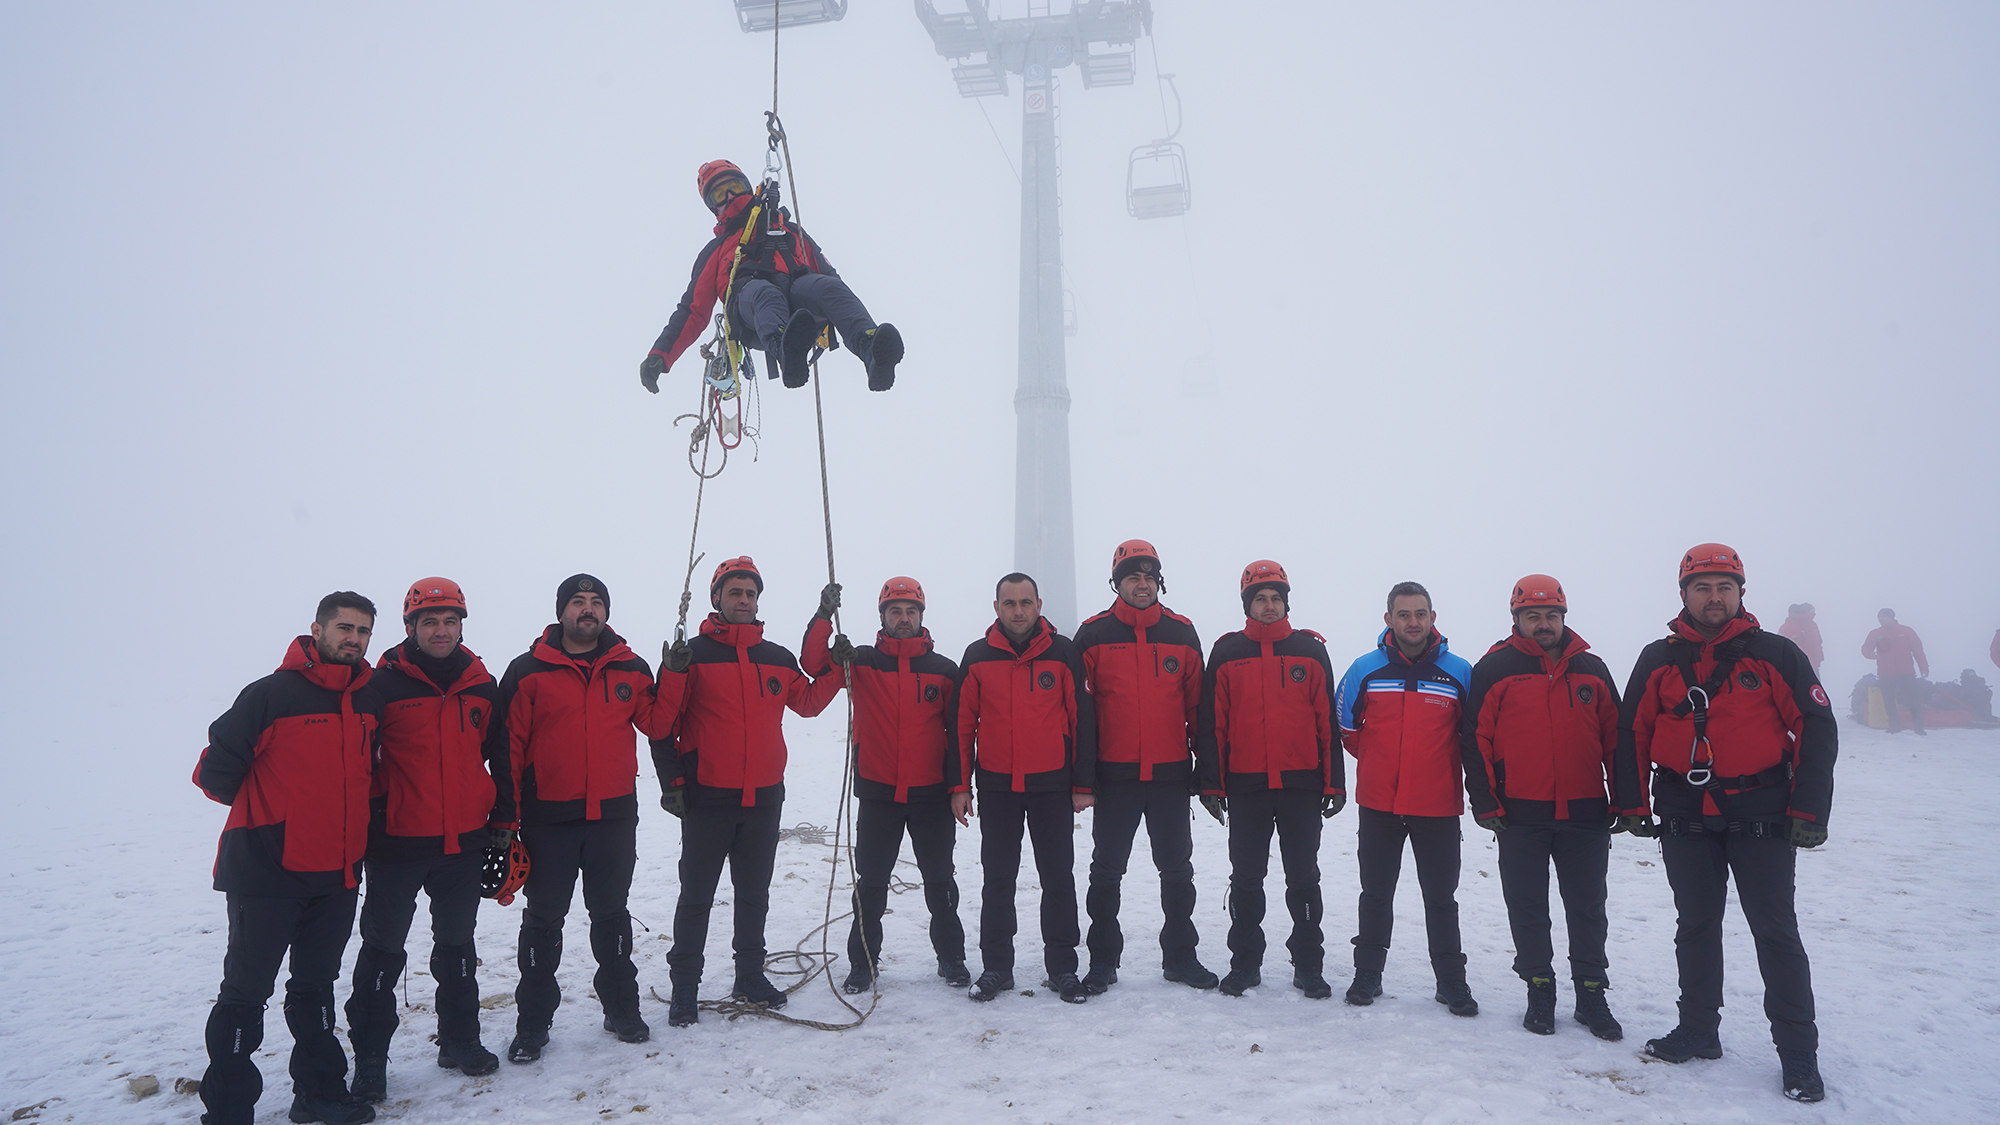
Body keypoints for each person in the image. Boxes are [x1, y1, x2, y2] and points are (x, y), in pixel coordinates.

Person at [1612, 543, 1836, 1104]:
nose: (1714, 598)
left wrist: (1809, 811)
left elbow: (1816, 726)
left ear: (1740, 593)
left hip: (1761, 810)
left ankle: (1798, 1055)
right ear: (1683, 594)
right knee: (1695, 924)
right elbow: (1631, 733)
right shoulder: (1657, 659)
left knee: (1775, 931)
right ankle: (1698, 1030)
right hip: (1686, 814)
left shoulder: (1776, 654)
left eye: (1725, 588)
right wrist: (1633, 803)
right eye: (1703, 587)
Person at [192, 592, 385, 1125]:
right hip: (267, 874)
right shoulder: (271, 695)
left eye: (363, 631)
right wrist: (276, 817)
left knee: (315, 990)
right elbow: (214, 774)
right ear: (317, 630)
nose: (354, 638)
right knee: (245, 994)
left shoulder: (368, 700)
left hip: (339, 873)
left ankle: (319, 1094)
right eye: (344, 627)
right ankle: (228, 1111)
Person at [487, 574, 674, 1062]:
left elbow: (657, 723)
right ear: (561, 612)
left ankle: (621, 1009)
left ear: (606, 612)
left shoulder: (631, 667)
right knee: (544, 921)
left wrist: (673, 675)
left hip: (612, 815)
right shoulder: (528, 671)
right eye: (577, 602)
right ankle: (531, 1024)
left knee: (611, 916)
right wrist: (506, 816)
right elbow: (508, 748)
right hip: (549, 818)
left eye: (596, 602)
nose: (587, 610)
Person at [653, 557, 847, 1026]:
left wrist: (839, 669)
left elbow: (808, 704)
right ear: (716, 598)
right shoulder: (691, 655)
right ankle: (685, 986)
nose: (743, 600)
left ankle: (749, 975)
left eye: (750, 593)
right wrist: (672, 783)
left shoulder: (777, 658)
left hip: (763, 796)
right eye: (734, 592)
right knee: (696, 895)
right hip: (707, 796)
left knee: (753, 893)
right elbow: (661, 723)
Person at [345, 579, 504, 1102]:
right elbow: (355, 760)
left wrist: (503, 822)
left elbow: (501, 758)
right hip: (396, 843)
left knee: (457, 947)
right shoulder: (381, 685)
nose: (441, 630)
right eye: (429, 621)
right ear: (410, 627)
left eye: (450, 620)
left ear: (462, 625)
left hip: (462, 842)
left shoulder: (482, 684)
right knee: (383, 951)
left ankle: (459, 1041)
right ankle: (370, 1059)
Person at [1461, 575, 1622, 1040]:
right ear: (1516, 620)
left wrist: (1626, 799)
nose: (1543, 624)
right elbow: (1475, 740)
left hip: (1586, 812)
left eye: (1551, 615)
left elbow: (1616, 738)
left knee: (1587, 907)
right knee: (1528, 907)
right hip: (1520, 814)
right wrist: (1486, 800)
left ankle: (1592, 994)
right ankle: (1540, 991)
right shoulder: (1494, 669)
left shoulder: (1592, 669)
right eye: (1533, 616)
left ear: (1564, 617)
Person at [799, 576, 969, 994]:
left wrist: (959, 788)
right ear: (883, 616)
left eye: (911, 611)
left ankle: (952, 958)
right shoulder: (859, 662)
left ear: (922, 616)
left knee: (940, 881)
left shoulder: (944, 671)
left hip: (930, 795)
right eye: (896, 611)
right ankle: (863, 965)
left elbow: (960, 735)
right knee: (871, 884)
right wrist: (824, 617)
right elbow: (811, 663)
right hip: (878, 793)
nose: (904, 618)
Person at [1073, 541, 1217, 994]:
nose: (1141, 584)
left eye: (1149, 576)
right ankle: (1102, 961)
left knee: (1177, 871)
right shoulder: (1092, 634)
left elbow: (1199, 709)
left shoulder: (1182, 632)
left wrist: (1207, 775)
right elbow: (1080, 713)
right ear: (1117, 583)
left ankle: (1180, 958)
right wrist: (1083, 779)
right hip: (1114, 777)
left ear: (1159, 581)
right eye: (1132, 576)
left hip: (1170, 776)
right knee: (1106, 871)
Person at [1196, 560, 1344, 998]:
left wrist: (1334, 783)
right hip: (1247, 787)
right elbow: (1213, 725)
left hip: (1302, 786)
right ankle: (1244, 964)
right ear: (1247, 604)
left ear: (1286, 602)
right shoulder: (1227, 653)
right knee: (1246, 878)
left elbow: (1326, 723)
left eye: (1276, 598)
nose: (1268, 605)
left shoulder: (1310, 651)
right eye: (1259, 598)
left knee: (1302, 878)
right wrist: (1211, 784)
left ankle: (1308, 966)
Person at [1336, 581, 1477, 1016]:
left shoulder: (1460, 672)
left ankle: (1451, 982)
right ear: (1388, 620)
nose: (1412, 622)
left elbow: (1470, 736)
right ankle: (1368, 975)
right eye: (1403, 615)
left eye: (1420, 614)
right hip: (1379, 803)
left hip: (1437, 806)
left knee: (1440, 897)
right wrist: (1381, 763)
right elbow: (1346, 727)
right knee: (1375, 893)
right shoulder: (1364, 669)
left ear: (1433, 618)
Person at [640, 160, 903, 393]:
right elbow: (692, 311)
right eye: (720, 193)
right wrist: (661, 355)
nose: (730, 196)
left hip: (799, 295)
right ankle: (787, 353)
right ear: (714, 207)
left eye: (733, 186)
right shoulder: (716, 250)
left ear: (746, 186)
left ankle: (871, 349)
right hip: (751, 310)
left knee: (827, 288)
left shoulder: (787, 229)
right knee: (764, 293)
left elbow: (829, 276)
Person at [959, 573, 1097, 1003]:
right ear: (996, 607)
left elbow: (1082, 720)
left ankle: (1063, 969)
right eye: (1009, 603)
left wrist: (1082, 784)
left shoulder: (1063, 652)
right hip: (998, 786)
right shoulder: (978, 656)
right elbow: (962, 726)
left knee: (1058, 879)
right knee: (997, 881)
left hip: (1051, 786)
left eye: (1025, 602)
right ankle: (997, 967)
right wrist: (959, 785)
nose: (1018, 611)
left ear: (1039, 604)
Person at [1862, 609, 1929, 735]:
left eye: (1884, 617)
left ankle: (1919, 727)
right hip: (1885, 673)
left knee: (1913, 700)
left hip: (1906, 672)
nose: (1881, 620)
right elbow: (1866, 647)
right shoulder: (1875, 633)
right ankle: (1894, 726)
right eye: (1879, 618)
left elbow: (1918, 650)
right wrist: (1870, 654)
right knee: (1889, 701)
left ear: (1892, 618)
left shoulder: (1906, 631)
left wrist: (1924, 668)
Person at [1777, 604, 1825, 674]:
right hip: (1797, 669)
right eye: (1811, 611)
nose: (1814, 614)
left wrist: (1818, 660)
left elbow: (1818, 642)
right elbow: (1783, 650)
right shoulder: (1788, 628)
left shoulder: (1811, 625)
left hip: (1813, 666)